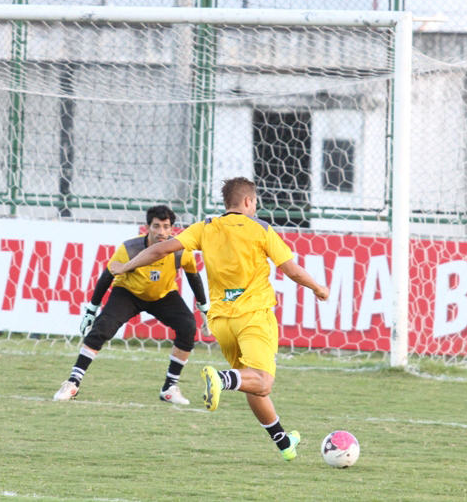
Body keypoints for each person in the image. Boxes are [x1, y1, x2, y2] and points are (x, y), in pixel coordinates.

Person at [109, 177, 329, 461]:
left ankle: (284, 443)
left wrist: (126, 265)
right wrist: (318, 288)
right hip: (253, 316)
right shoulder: (261, 228)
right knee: (263, 381)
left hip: (222, 322)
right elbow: (292, 270)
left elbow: (160, 250)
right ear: (248, 201)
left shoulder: (205, 227)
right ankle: (221, 379)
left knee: (250, 382)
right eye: (255, 202)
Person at [54, 205, 209, 405]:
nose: (161, 232)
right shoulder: (129, 249)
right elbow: (107, 276)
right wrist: (91, 309)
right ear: (147, 227)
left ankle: (169, 387)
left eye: (165, 227)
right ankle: (73, 383)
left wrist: (204, 308)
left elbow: (193, 277)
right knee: (102, 328)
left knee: (188, 327)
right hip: (128, 293)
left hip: (163, 295)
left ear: (172, 229)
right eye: (156, 226)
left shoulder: (180, 251)